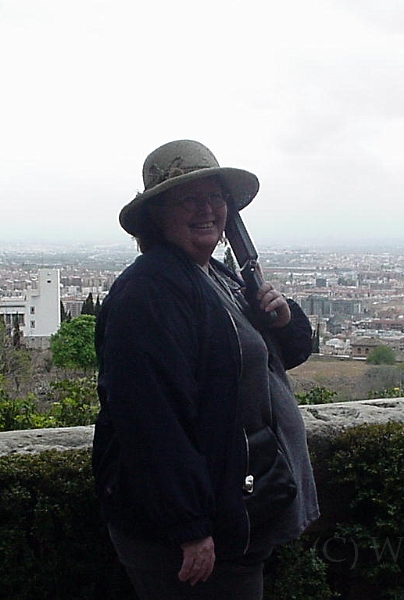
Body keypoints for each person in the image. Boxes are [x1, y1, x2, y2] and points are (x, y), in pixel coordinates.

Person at [92, 140, 319, 599]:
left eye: (216, 197)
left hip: (234, 509)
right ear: (157, 215)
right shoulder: (150, 293)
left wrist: (284, 319)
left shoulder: (216, 275)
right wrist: (189, 528)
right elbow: (152, 421)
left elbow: (268, 361)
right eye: (188, 199)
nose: (207, 209)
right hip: (190, 531)